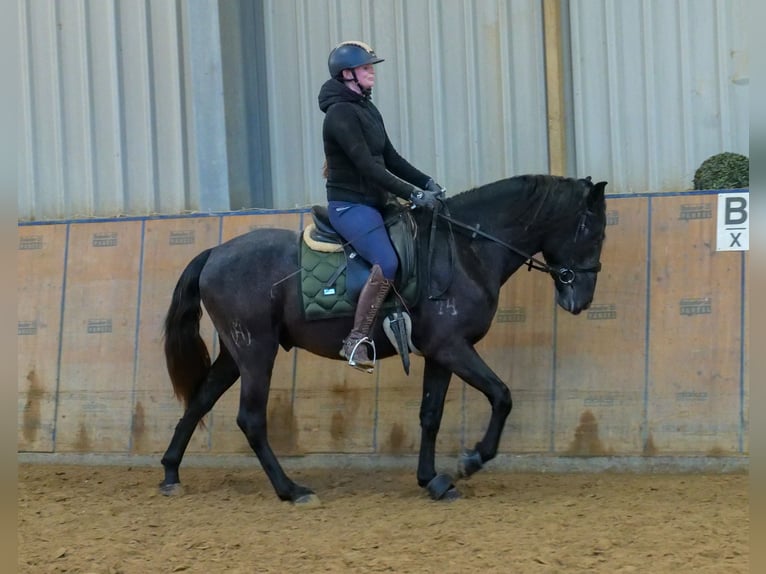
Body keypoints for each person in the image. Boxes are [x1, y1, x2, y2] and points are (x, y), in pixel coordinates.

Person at [318, 40, 445, 371]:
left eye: (370, 66)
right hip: (350, 206)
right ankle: (356, 339)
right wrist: (413, 194)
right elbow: (368, 167)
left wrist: (427, 182)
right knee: (387, 262)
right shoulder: (340, 114)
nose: (371, 71)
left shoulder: (366, 108)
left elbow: (390, 158)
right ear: (347, 74)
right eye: (365, 67)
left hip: (377, 201)